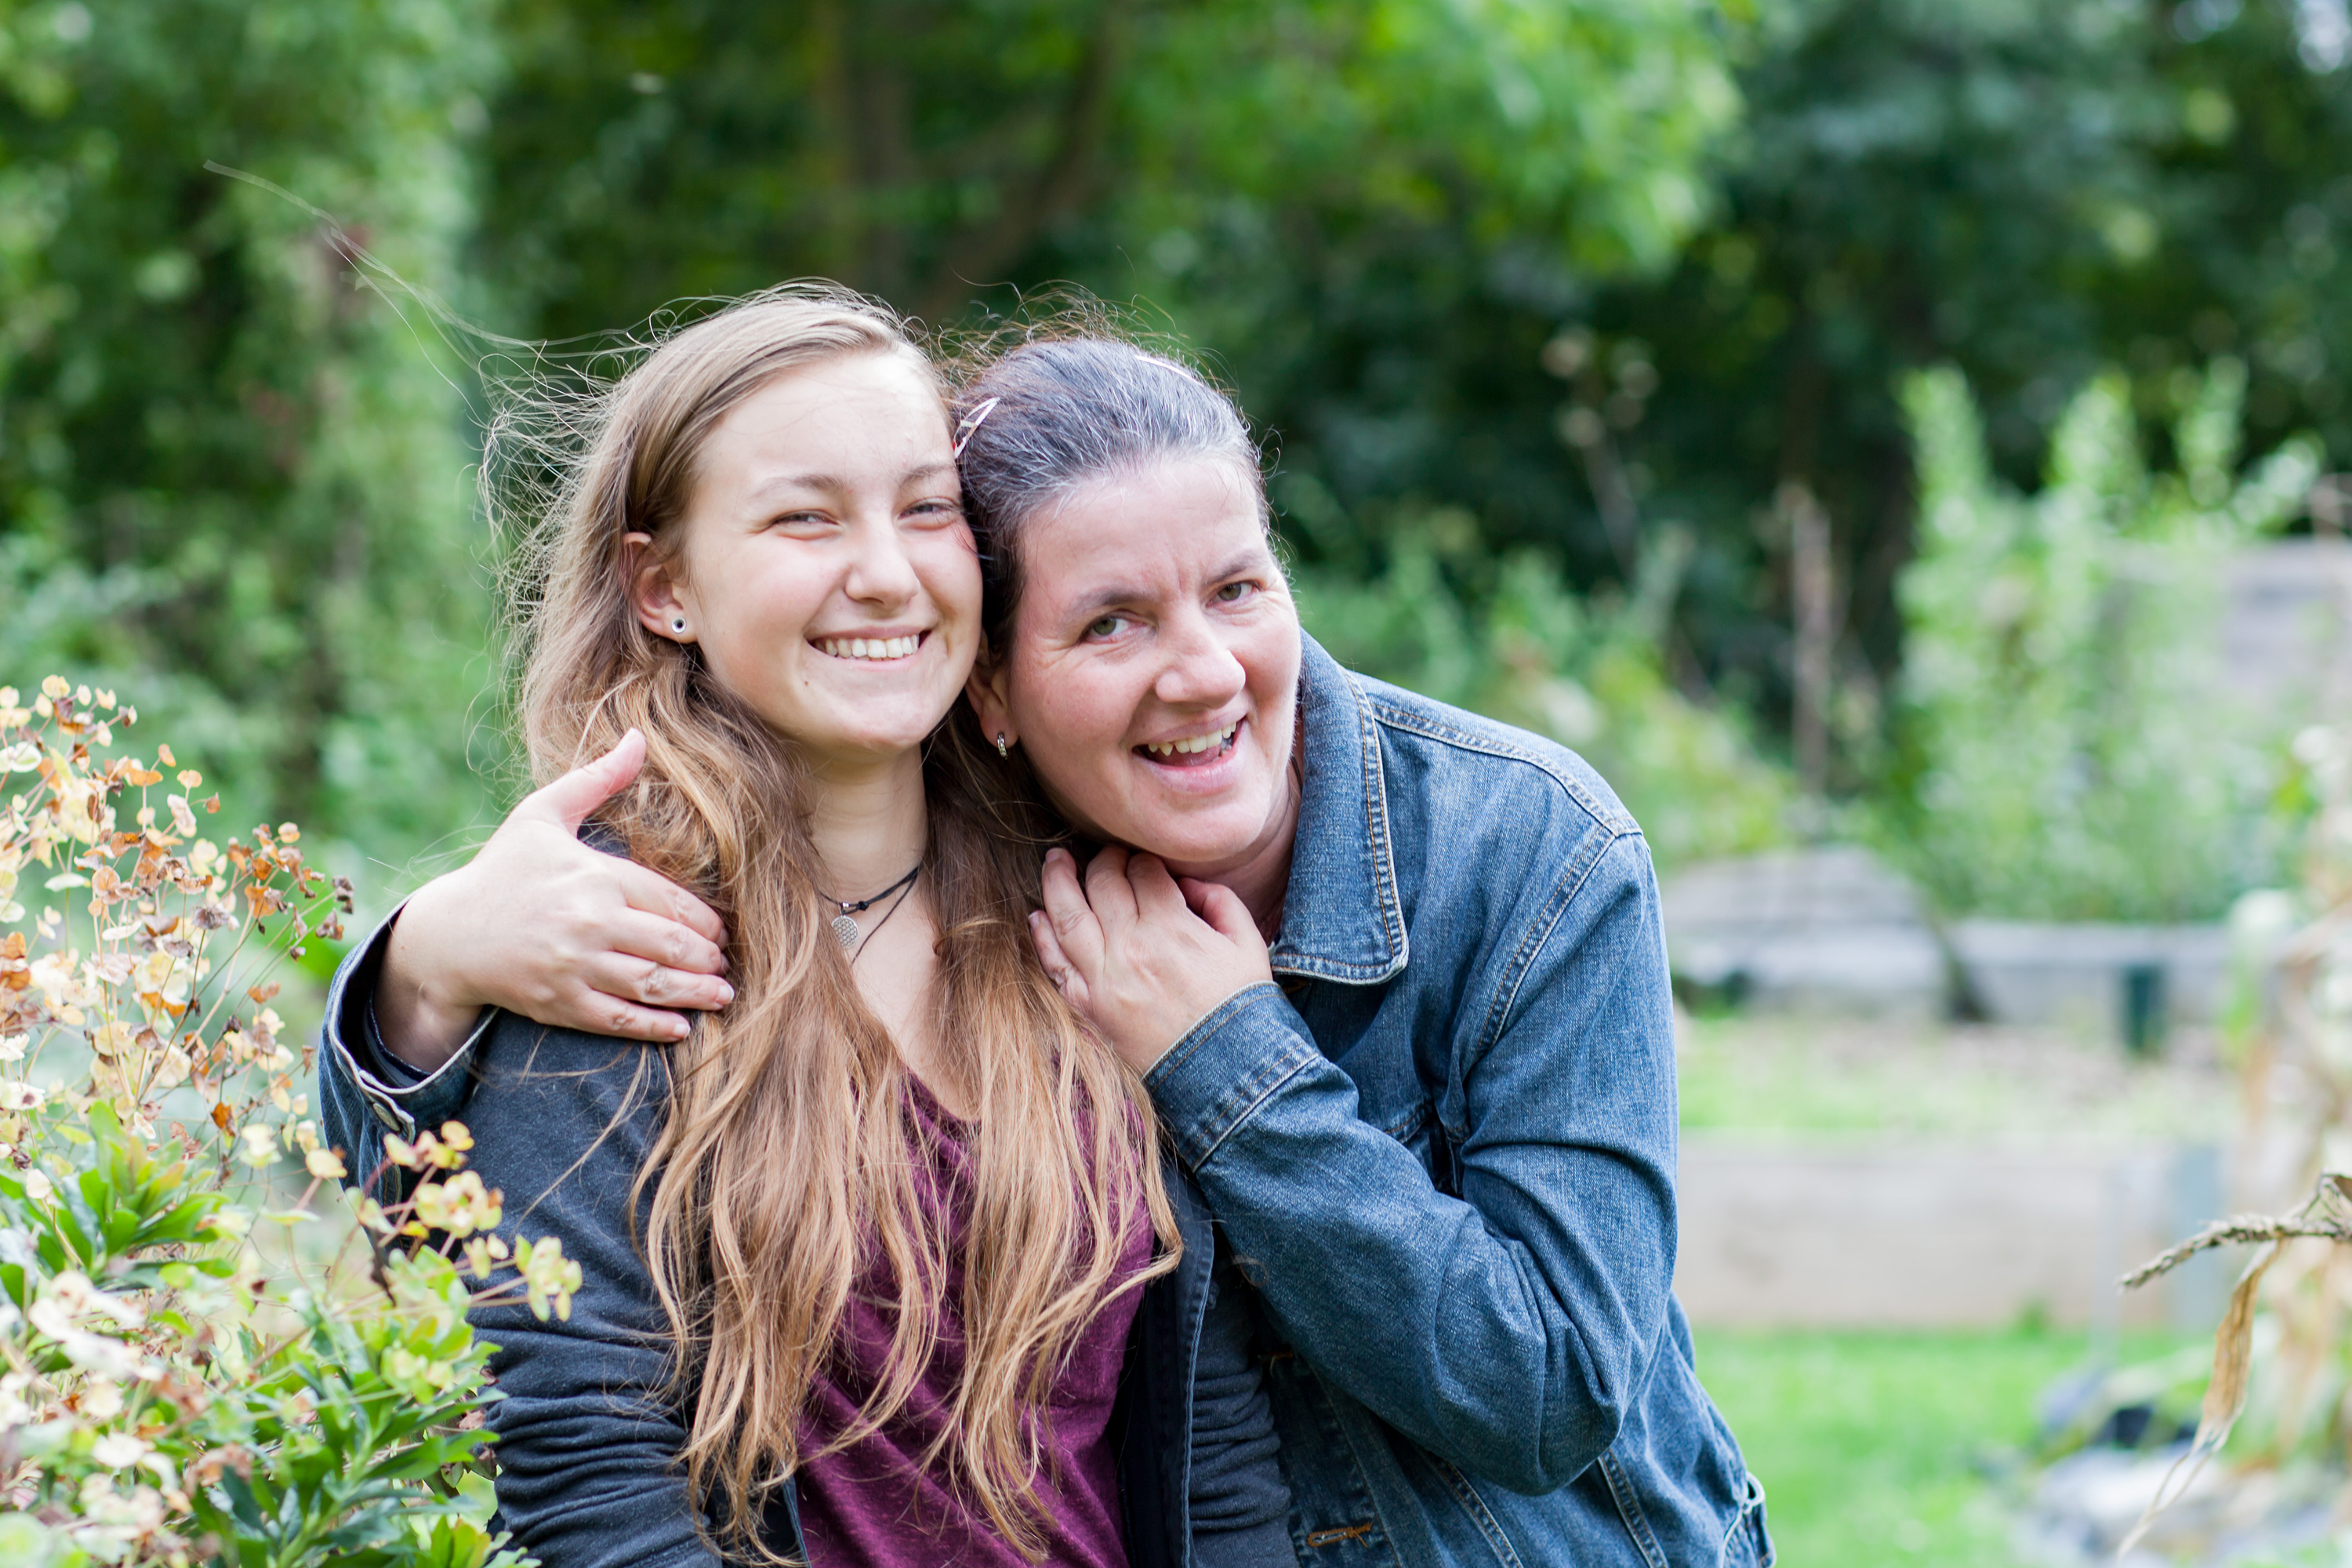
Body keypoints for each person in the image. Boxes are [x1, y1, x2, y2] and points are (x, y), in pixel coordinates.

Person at [326, 324, 1772, 1566]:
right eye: (1109, 621)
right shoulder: (636, 932)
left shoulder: (1482, 858)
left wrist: (1230, 1065)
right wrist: (425, 966)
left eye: (1239, 588)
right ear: (1003, 694)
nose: (1197, 671)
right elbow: (544, 1398)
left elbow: (1458, 1398)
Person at [319, 291, 1297, 1568]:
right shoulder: (609, 945)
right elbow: (579, 1476)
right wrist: (418, 958)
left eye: (925, 508)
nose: (886, 572)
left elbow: (1207, 1442)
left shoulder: (1080, 919)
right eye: (805, 517)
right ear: (663, 586)